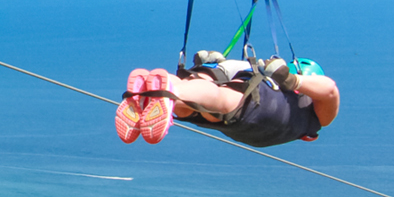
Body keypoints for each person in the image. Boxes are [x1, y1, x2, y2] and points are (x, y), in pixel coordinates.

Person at [115, 53, 340, 148]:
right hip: (244, 121)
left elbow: (329, 90)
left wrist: (290, 79)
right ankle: (167, 91)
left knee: (211, 97)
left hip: (255, 111)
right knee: (213, 104)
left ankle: (156, 90)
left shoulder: (310, 113)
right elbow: (329, 90)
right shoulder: (309, 122)